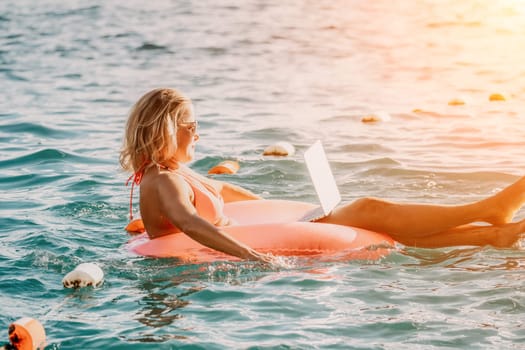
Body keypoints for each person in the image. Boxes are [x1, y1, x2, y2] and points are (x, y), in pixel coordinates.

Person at [120, 88, 525, 263]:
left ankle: (492, 233)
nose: (199, 132)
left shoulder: (173, 171)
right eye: (191, 125)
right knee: (371, 209)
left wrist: (273, 212)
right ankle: (488, 210)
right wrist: (250, 254)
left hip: (262, 229)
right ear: (167, 129)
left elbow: (222, 187)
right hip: (236, 246)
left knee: (376, 220)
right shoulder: (165, 180)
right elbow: (190, 224)